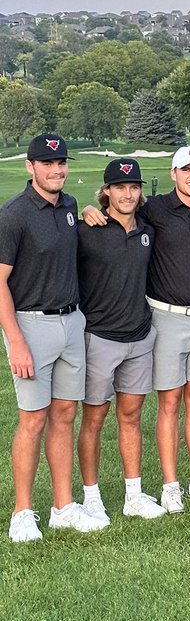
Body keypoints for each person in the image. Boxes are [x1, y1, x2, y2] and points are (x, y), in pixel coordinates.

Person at [84, 145, 190, 513]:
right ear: (173, 173)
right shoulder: (155, 211)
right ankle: (169, 486)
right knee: (169, 401)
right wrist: (86, 209)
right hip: (163, 318)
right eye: (186, 170)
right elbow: (106, 211)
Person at [0, 134, 107, 541]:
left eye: (61, 162)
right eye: (47, 163)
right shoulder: (12, 215)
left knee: (65, 415)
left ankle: (63, 506)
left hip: (71, 323)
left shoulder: (70, 206)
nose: (57, 169)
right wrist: (16, 341)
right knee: (33, 419)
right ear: (30, 167)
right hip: (31, 326)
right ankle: (22, 513)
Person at [76, 158, 164, 520]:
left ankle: (133, 495)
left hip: (139, 336)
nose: (128, 194)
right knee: (94, 419)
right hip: (99, 337)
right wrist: (84, 210)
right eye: (120, 187)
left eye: (134, 187)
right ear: (106, 191)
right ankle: (91, 497)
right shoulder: (86, 229)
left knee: (131, 416)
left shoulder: (147, 230)